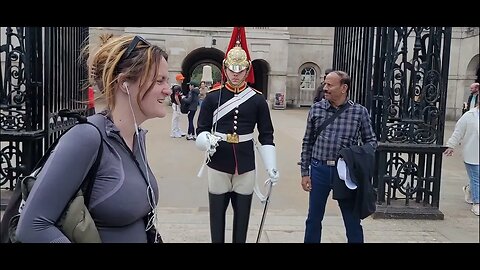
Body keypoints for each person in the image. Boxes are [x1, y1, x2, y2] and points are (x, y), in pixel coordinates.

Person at [15, 34, 171, 243]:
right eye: (160, 80)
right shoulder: (86, 137)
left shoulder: (137, 138)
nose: (168, 89)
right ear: (125, 83)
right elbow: (33, 226)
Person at [195, 27, 279, 243]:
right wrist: (207, 140)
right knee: (217, 220)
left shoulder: (257, 100)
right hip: (218, 161)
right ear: (225, 68)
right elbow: (201, 129)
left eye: (240, 69)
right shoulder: (213, 97)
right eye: (231, 69)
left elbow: (266, 135)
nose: (235, 73)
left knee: (242, 222)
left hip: (245, 163)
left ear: (247, 70)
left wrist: (271, 166)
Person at [300, 70, 377, 243]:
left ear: (344, 88)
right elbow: (307, 142)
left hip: (344, 174)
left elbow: (371, 142)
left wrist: (353, 154)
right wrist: (305, 172)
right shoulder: (316, 109)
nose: (325, 88)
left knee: (352, 220)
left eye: (329, 85)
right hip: (319, 170)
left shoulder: (359, 112)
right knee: (313, 219)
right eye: (325, 84)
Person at [444, 98, 479, 216]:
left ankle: (469, 189)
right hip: (472, 152)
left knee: (476, 179)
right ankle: (477, 203)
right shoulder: (469, 116)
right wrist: (451, 145)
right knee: (476, 177)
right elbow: (458, 131)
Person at [170, 73, 187, 138]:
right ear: (178, 80)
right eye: (181, 79)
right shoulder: (177, 87)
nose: (182, 80)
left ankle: (178, 130)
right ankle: (174, 132)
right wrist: (179, 104)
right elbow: (176, 97)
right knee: (176, 118)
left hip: (176, 104)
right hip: (177, 105)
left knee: (178, 118)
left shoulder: (176, 86)